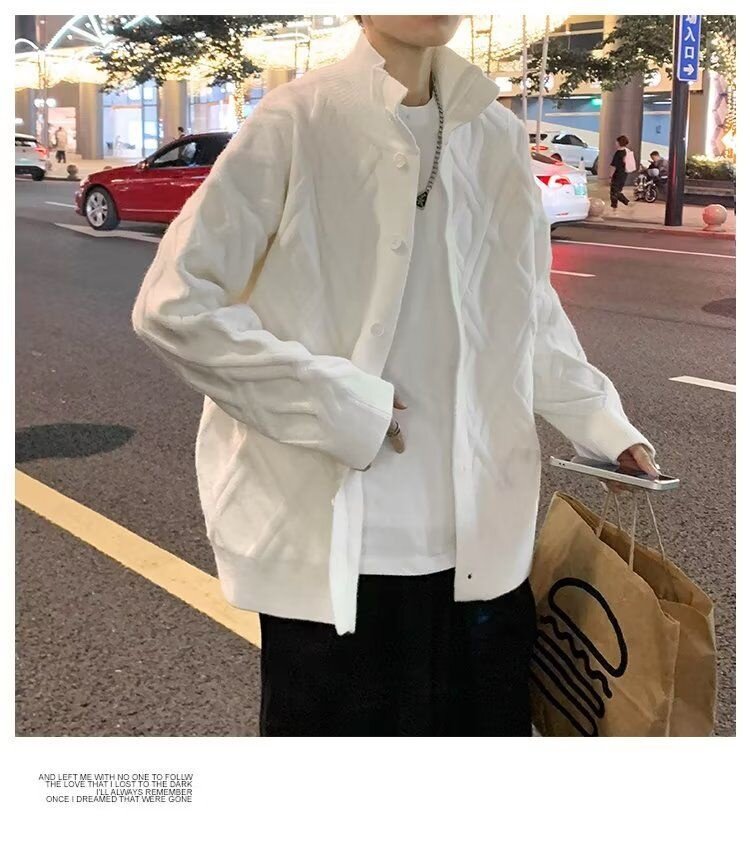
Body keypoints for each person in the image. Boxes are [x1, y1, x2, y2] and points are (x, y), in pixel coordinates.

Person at [132, 15, 658, 736]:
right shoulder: (297, 120)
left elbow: (527, 309)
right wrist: (339, 405)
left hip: (486, 546)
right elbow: (174, 305)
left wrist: (602, 424)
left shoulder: (495, 134)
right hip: (342, 553)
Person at [610, 134, 633, 209]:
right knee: (617, 190)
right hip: (624, 173)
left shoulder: (618, 152)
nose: (615, 143)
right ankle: (614, 206)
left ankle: (626, 202)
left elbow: (614, 165)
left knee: (614, 191)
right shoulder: (627, 151)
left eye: (616, 142)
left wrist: (610, 175)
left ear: (619, 142)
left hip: (617, 174)